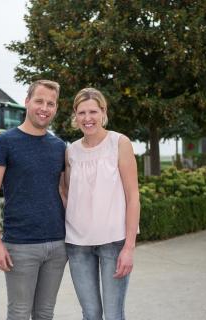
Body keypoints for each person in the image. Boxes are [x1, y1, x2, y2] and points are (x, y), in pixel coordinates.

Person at [0, 80, 67, 320]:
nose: (44, 107)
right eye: (39, 101)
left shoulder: (59, 146)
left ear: (56, 109)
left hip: (58, 245)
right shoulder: (4, 143)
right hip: (20, 245)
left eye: (51, 103)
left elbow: (63, 192)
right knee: (19, 313)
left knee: (45, 313)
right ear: (27, 102)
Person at [64, 88, 140, 320]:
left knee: (114, 314)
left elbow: (133, 195)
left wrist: (129, 247)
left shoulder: (119, 143)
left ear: (103, 112)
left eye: (93, 111)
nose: (88, 118)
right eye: (82, 112)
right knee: (91, 314)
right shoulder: (71, 151)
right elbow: (65, 190)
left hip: (113, 243)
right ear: (75, 116)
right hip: (77, 245)